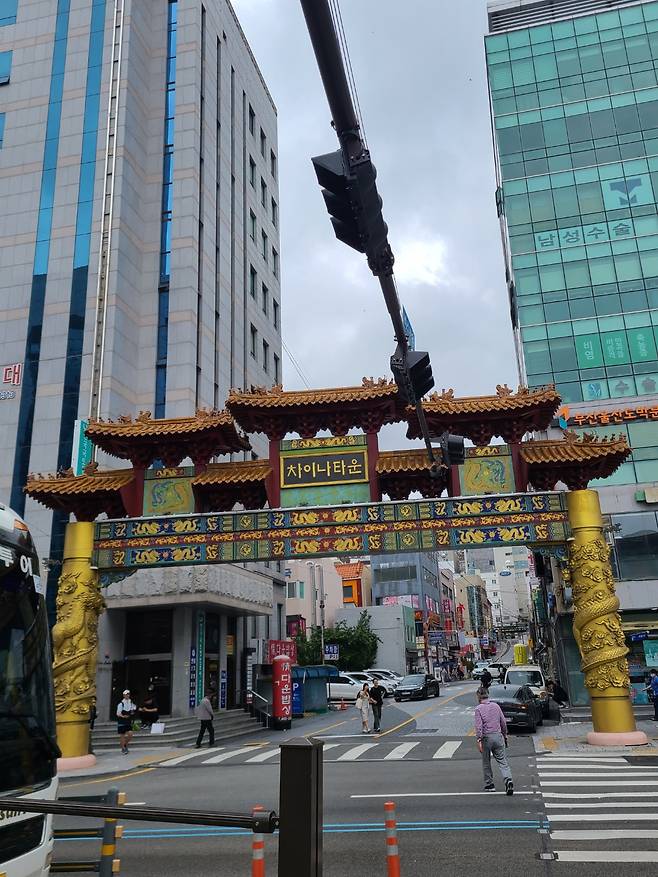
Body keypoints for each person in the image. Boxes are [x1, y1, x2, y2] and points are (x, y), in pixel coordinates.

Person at [474, 686, 513, 795]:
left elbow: (479, 727)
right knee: (502, 761)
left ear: (478, 696)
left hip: (487, 737)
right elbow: (503, 722)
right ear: (487, 694)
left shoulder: (478, 709)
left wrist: (479, 739)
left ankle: (489, 784)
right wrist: (504, 735)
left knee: (486, 762)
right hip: (498, 735)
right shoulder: (496, 706)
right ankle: (508, 779)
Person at [116, 689, 137, 755]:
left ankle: (125, 744)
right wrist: (123, 716)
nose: (127, 695)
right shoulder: (121, 704)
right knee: (122, 735)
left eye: (128, 694)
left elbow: (133, 709)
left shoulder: (131, 703)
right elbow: (118, 713)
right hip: (122, 721)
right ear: (124, 695)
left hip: (128, 720)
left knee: (130, 734)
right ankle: (123, 748)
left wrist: (132, 712)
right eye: (126, 694)